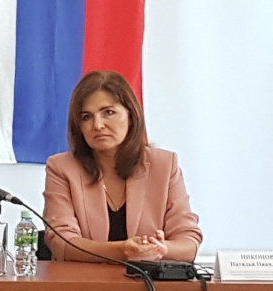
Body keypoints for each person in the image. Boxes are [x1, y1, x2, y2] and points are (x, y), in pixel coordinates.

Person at [43, 70, 203, 262]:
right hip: (83, 279)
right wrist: (122, 251)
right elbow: (62, 243)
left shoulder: (164, 165)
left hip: (147, 281)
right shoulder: (62, 167)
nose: (98, 125)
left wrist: (160, 248)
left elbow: (189, 243)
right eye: (86, 117)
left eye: (108, 113)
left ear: (131, 115)